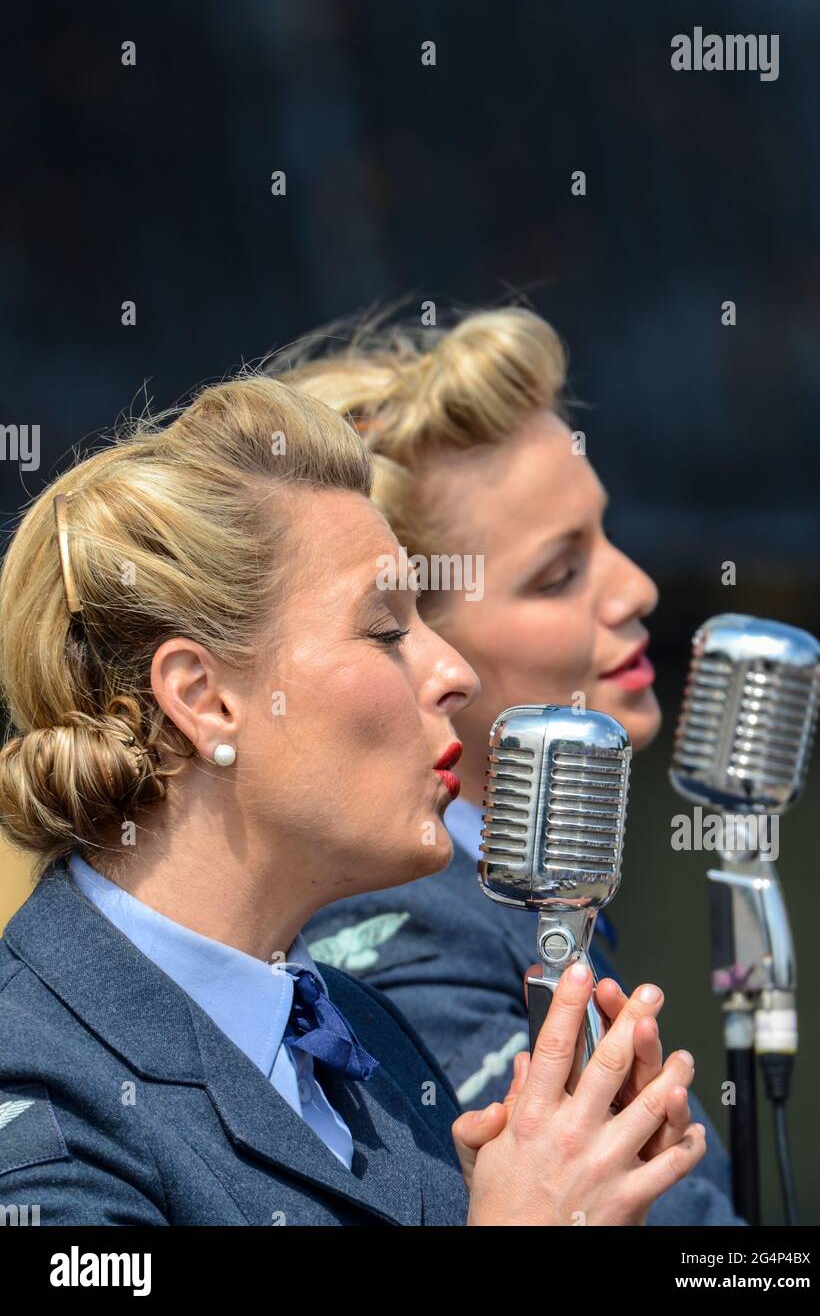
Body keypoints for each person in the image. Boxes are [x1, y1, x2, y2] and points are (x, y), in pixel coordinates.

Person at [0, 372, 706, 1226]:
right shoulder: (36, 1090)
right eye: (385, 631)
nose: (456, 676)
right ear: (205, 696)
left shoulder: (360, 1030)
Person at [268, 303, 745, 1225]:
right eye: (558, 574)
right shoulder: (403, 938)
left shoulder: (516, 891)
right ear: (409, 629)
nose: (638, 588)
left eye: (605, 537)